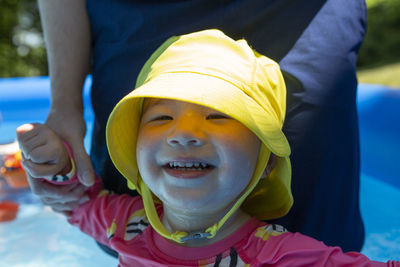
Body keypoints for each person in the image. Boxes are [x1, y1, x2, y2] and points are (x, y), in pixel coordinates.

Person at [17, 30, 398, 266]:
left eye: (218, 117)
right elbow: (77, 205)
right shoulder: (126, 224)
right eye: (160, 119)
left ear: (266, 162)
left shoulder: (282, 257)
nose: (183, 134)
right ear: (134, 150)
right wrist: (57, 165)